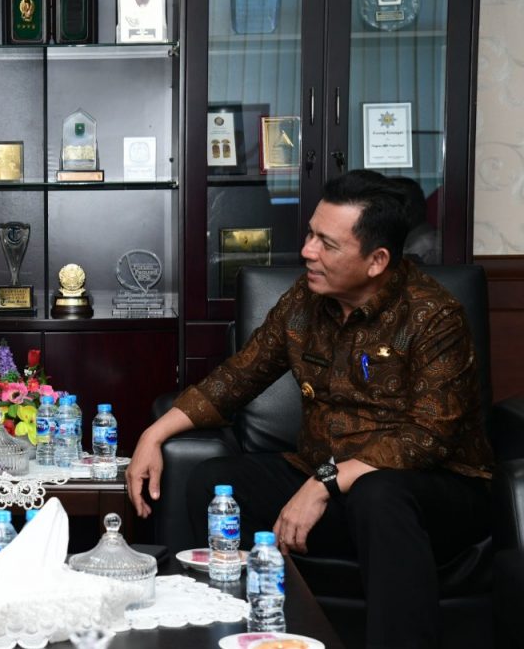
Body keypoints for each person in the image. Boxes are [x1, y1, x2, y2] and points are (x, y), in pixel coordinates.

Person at [126, 169, 493, 648]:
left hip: (431, 493)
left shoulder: (433, 315)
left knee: (379, 494)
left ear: (377, 260)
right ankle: (246, 633)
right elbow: (238, 377)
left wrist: (324, 483)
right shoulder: (306, 299)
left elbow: (429, 435)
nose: (307, 252)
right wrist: (153, 434)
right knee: (214, 483)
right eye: (310, 235)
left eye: (327, 244)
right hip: (329, 479)